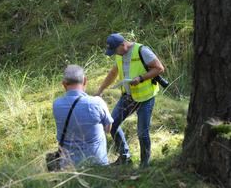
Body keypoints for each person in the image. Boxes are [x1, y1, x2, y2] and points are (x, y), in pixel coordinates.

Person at [95, 33, 165, 168]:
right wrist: (100, 91)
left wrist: (141, 78)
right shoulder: (119, 55)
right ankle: (125, 157)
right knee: (112, 124)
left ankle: (145, 165)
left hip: (146, 98)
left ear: (123, 45)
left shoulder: (142, 50)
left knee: (142, 133)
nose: (115, 54)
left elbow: (159, 68)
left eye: (115, 50)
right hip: (128, 96)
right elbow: (113, 73)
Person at [53, 64, 113, 167]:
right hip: (98, 164)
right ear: (85, 81)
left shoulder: (56, 104)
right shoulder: (97, 102)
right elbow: (108, 128)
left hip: (69, 167)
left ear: (64, 84)